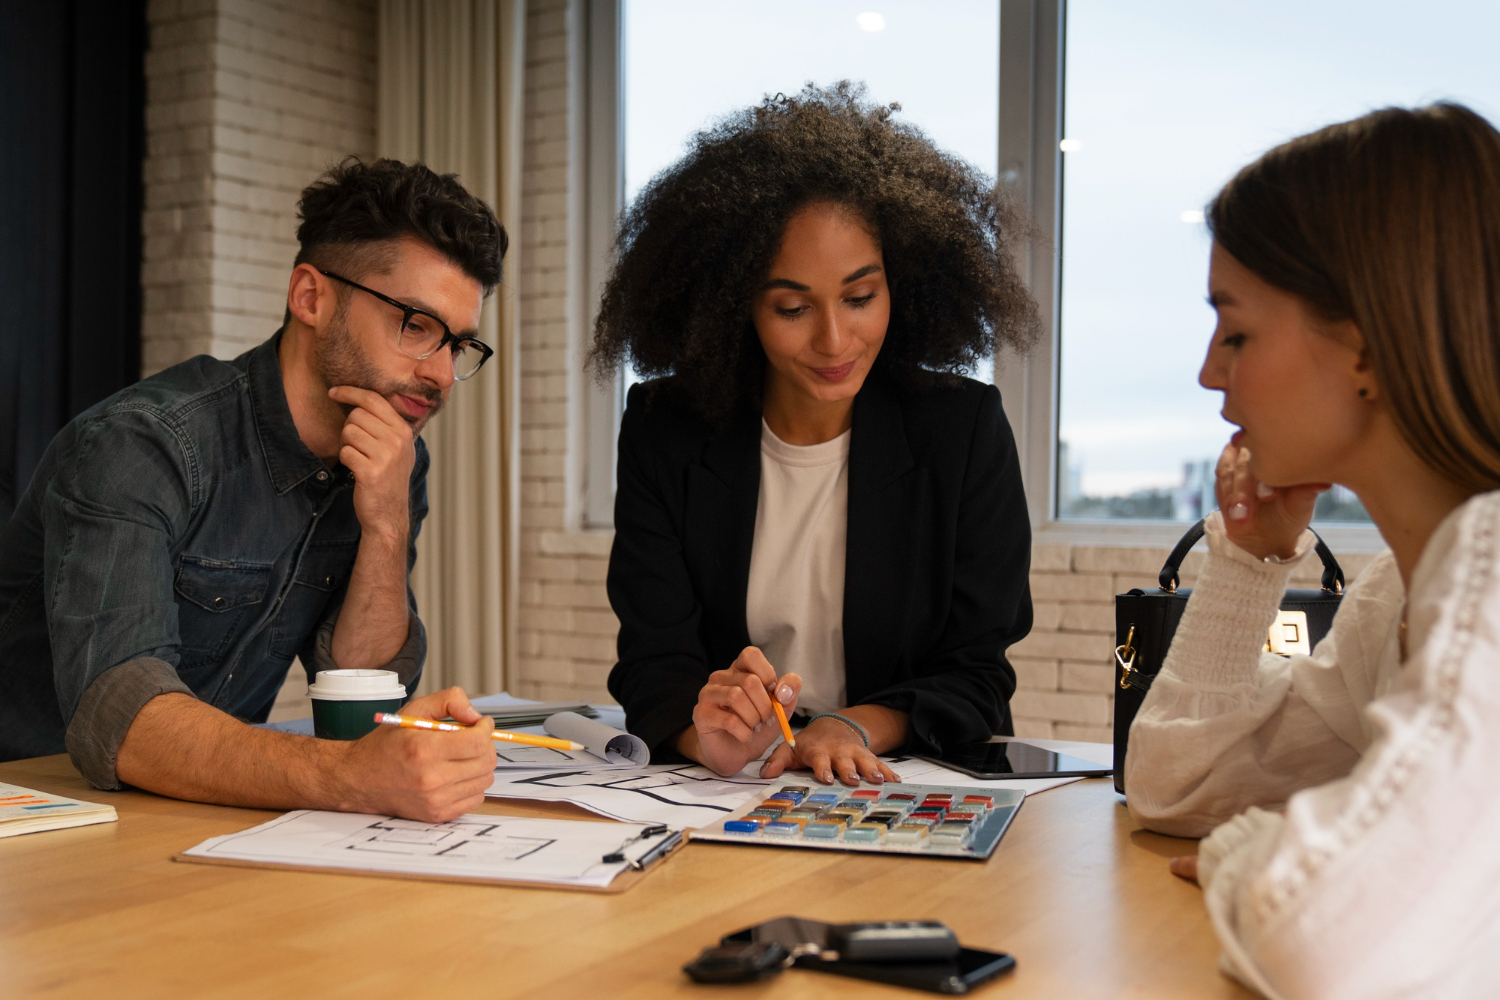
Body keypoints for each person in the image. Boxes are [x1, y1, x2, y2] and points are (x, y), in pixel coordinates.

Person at [1125, 103, 1500, 998]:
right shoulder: (1389, 600)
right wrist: (1251, 561)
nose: (1212, 372)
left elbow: (1323, 940)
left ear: (1366, 344)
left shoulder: (1489, 569)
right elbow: (1176, 789)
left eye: (1238, 330)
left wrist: (1256, 846)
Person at [0, 159, 504, 822]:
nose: (440, 373)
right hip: (35, 816)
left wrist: (386, 526)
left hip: (186, 816)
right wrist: (351, 774)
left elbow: (365, 693)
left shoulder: (391, 463)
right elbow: (122, 720)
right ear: (311, 297)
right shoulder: (142, 445)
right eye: (415, 325)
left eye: (458, 344)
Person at [593, 85, 1038, 786]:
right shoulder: (664, 431)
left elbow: (977, 672)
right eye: (793, 307)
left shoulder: (962, 431)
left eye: (861, 298)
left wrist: (850, 723)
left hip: (895, 781)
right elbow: (654, 663)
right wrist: (706, 733)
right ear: (734, 306)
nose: (835, 339)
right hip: (732, 792)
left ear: (904, 283)